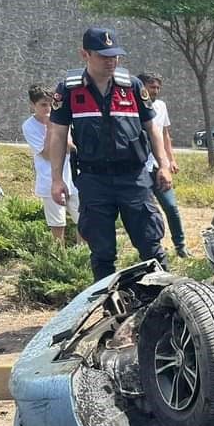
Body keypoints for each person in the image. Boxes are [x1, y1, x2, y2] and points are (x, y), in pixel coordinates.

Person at [47, 27, 169, 281]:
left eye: (115, 55)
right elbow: (58, 135)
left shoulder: (132, 86)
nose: (111, 61)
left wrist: (164, 164)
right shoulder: (69, 90)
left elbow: (153, 129)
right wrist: (56, 179)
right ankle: (110, 307)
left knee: (150, 245)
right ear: (85, 54)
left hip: (133, 177)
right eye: (103, 55)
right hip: (94, 179)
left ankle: (164, 301)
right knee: (102, 251)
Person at [137, 72, 187, 257]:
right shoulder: (132, 107)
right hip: (139, 167)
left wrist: (170, 159)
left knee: (171, 207)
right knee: (146, 211)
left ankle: (180, 246)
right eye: (152, 87)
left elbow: (165, 135)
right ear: (142, 87)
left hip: (159, 166)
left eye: (158, 88)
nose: (155, 91)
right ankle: (152, 250)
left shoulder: (161, 106)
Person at [22, 84, 79, 243]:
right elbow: (47, 155)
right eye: (43, 105)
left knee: (82, 221)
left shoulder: (64, 120)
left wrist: (59, 128)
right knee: (57, 224)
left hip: (73, 177)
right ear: (33, 105)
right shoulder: (29, 126)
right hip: (49, 180)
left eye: (50, 104)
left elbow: (71, 149)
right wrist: (51, 129)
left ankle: (82, 258)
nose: (48, 109)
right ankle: (59, 259)